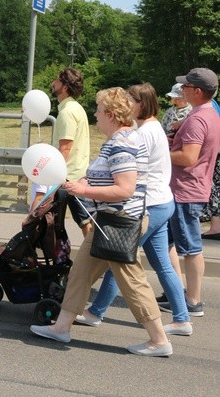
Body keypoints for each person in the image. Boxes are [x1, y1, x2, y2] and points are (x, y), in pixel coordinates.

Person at [31, 87, 172, 357]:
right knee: (80, 273)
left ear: (110, 114)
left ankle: (159, 340)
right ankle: (61, 328)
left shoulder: (121, 144)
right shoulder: (119, 139)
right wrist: (79, 183)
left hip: (119, 223)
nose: (94, 114)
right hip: (108, 222)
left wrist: (83, 191)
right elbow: (102, 177)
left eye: (97, 110)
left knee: (133, 282)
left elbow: (125, 189)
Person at [76, 83, 191, 335]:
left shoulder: (143, 133)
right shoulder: (154, 128)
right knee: (161, 264)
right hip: (163, 201)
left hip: (149, 204)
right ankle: (182, 319)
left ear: (141, 104)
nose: (127, 104)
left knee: (118, 257)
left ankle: (95, 312)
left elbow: (130, 171)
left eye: (131, 100)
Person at [160, 68, 220, 317]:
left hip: (186, 190)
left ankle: (193, 300)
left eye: (185, 86)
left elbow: (188, 157)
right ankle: (175, 292)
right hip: (190, 188)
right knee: (166, 244)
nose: (181, 90)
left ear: (197, 91)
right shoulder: (209, 113)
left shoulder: (197, 119)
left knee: (191, 247)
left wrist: (161, 153)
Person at [47, 67, 92, 235]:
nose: (53, 83)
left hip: (69, 177)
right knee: (83, 220)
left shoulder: (67, 112)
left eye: (57, 80)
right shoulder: (76, 107)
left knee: (85, 222)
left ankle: (95, 258)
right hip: (76, 173)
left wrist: (52, 175)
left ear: (65, 87)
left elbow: (65, 148)